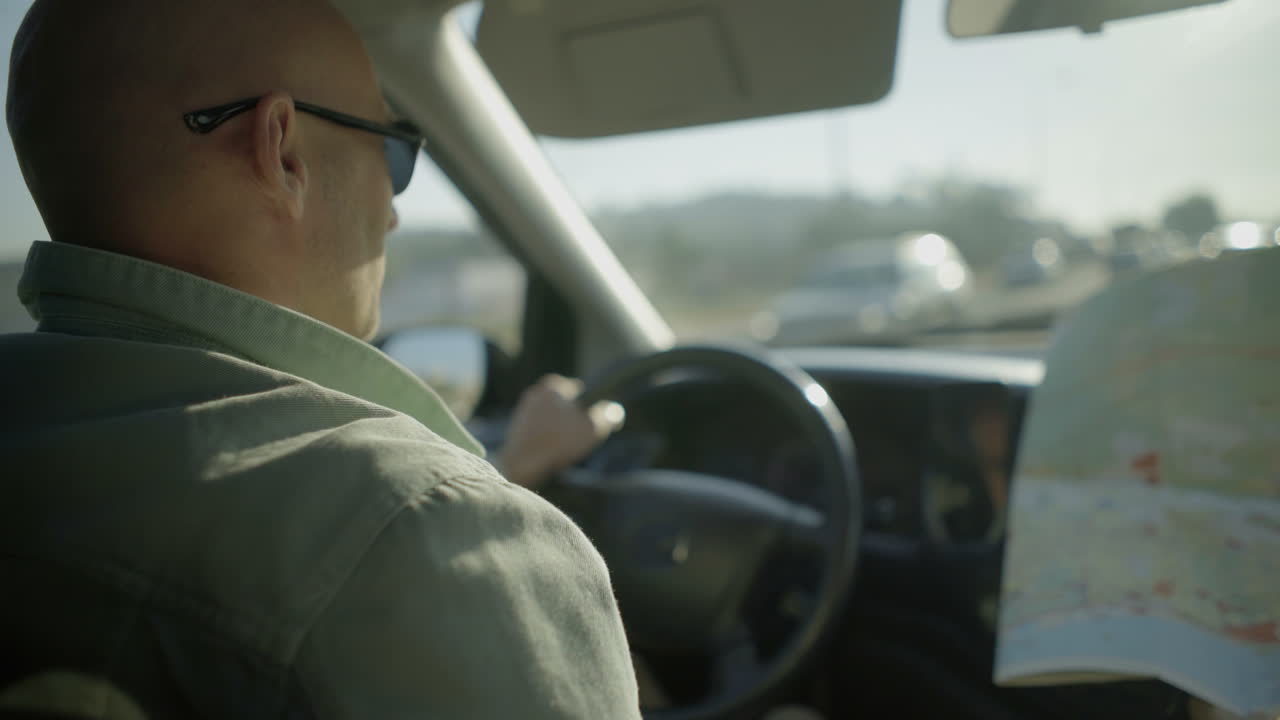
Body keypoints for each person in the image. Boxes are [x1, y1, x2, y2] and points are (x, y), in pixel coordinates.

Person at [0, 0, 641, 717]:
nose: (394, 212)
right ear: (283, 151)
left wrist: (508, 474)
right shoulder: (424, 539)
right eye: (392, 152)